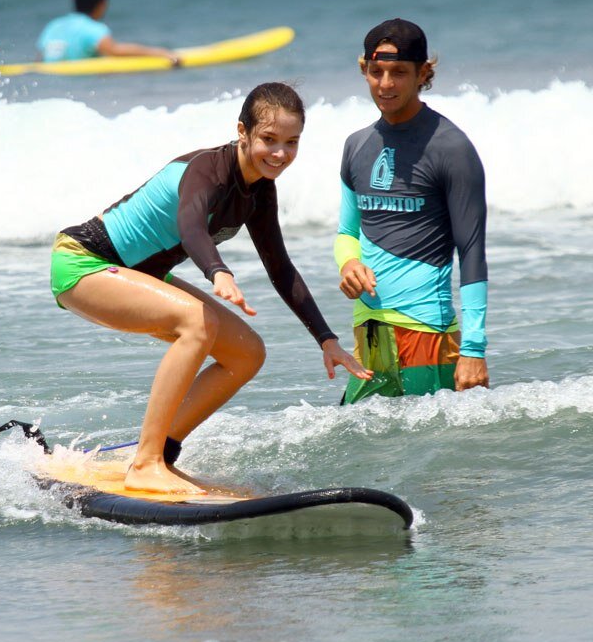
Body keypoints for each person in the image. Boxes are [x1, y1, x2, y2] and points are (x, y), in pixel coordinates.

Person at [52, 82, 371, 494]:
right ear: (243, 132)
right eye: (269, 140)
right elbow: (189, 226)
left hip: (139, 275)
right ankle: (145, 463)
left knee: (247, 353)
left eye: (292, 143)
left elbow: (280, 267)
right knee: (195, 322)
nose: (280, 154)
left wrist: (326, 339)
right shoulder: (206, 171)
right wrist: (217, 271)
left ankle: (159, 452)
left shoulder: (259, 191)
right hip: (84, 262)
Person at [335, 18, 490, 404]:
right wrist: (348, 265)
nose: (385, 84)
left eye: (399, 73)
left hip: (427, 335)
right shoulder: (356, 146)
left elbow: (472, 251)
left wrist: (473, 349)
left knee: (439, 460)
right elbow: (346, 233)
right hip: (368, 334)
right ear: (364, 71)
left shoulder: (450, 147)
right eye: (376, 72)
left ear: (423, 73)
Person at [37, 0, 178, 64]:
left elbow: (40, 60)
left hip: (53, 95)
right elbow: (114, 51)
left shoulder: (52, 26)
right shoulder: (93, 29)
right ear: (103, 3)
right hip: (82, 92)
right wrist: (160, 53)